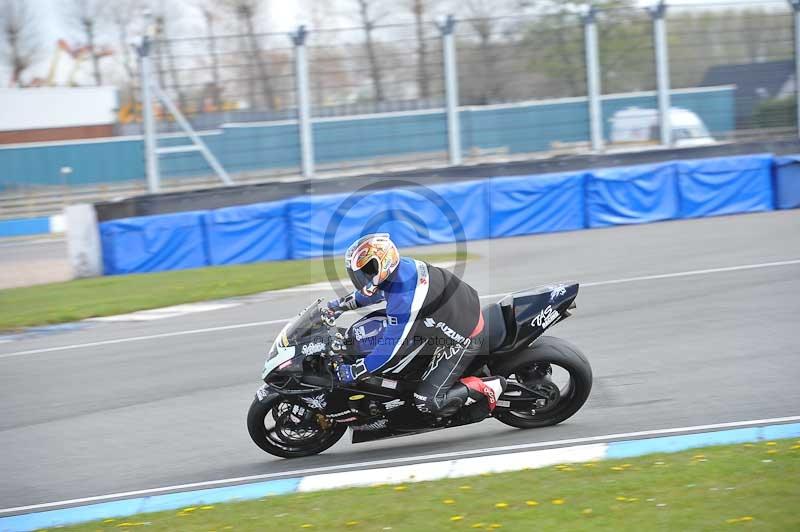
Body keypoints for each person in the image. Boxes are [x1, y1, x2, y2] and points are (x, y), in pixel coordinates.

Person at [323, 233, 506, 418]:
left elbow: (392, 351)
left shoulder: (404, 298)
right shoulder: (400, 269)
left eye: (368, 270)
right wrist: (337, 306)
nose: (363, 277)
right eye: (360, 273)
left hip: (463, 336)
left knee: (427, 401)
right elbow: (376, 292)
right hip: (453, 311)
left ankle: (488, 387)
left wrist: (357, 370)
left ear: (383, 263)